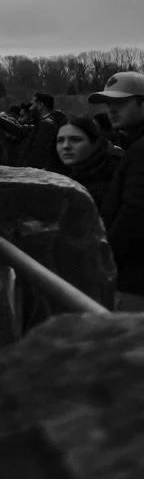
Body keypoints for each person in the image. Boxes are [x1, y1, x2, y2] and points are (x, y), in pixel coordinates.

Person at [90, 72, 144, 307]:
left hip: (135, 278)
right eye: (108, 103)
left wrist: (105, 257)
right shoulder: (134, 145)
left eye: (120, 102)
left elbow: (135, 213)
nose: (111, 109)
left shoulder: (140, 150)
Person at [0, 92, 66, 170]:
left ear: (41, 105)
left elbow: (37, 156)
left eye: (32, 104)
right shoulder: (44, 124)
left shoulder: (46, 125)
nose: (30, 108)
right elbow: (18, 130)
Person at [54, 115, 121, 213]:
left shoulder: (112, 177)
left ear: (95, 143)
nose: (66, 146)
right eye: (60, 140)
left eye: (75, 140)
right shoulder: (71, 174)